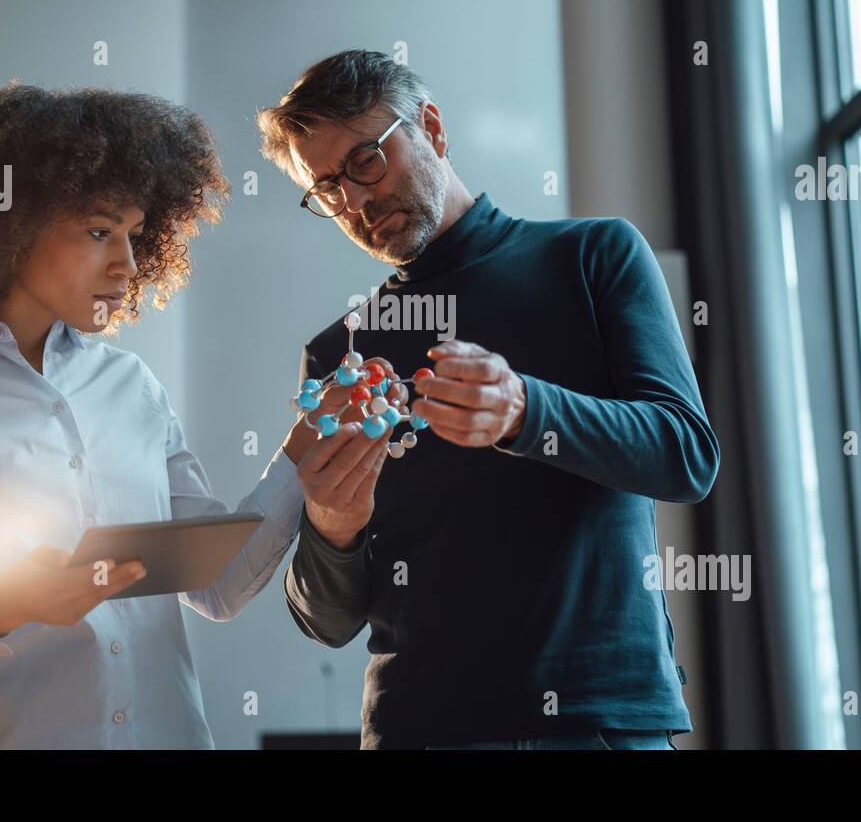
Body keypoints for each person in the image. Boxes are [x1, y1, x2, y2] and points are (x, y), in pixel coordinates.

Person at [0, 83, 390, 748]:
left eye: (137, 234)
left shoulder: (128, 383)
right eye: (98, 231)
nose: (129, 264)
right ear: (10, 223)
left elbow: (219, 585)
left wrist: (302, 450)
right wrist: (1, 605)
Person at [262, 51, 721, 749]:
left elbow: (686, 455)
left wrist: (525, 411)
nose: (353, 202)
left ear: (433, 129)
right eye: (325, 188)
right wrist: (333, 526)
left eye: (364, 162)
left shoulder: (593, 258)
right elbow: (327, 619)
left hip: (596, 719)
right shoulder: (338, 355)